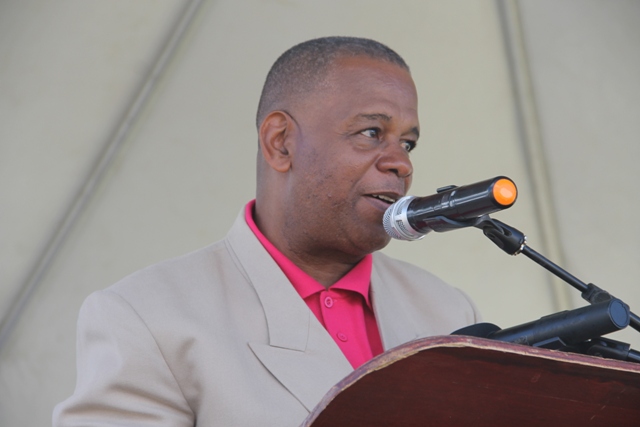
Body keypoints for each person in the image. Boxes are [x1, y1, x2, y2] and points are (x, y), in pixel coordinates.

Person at [53, 36, 480, 427]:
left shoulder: (449, 314)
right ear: (280, 142)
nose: (401, 164)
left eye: (408, 143)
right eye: (372, 133)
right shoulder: (145, 318)